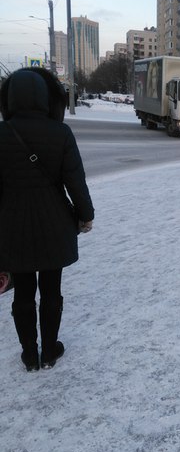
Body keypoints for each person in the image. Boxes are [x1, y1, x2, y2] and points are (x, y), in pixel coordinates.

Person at [0, 68, 95, 372]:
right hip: (54, 223)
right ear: (44, 98)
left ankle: (29, 354)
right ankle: (50, 350)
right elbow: (75, 182)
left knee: (24, 294)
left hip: (12, 227)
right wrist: (85, 215)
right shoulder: (60, 133)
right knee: (52, 291)